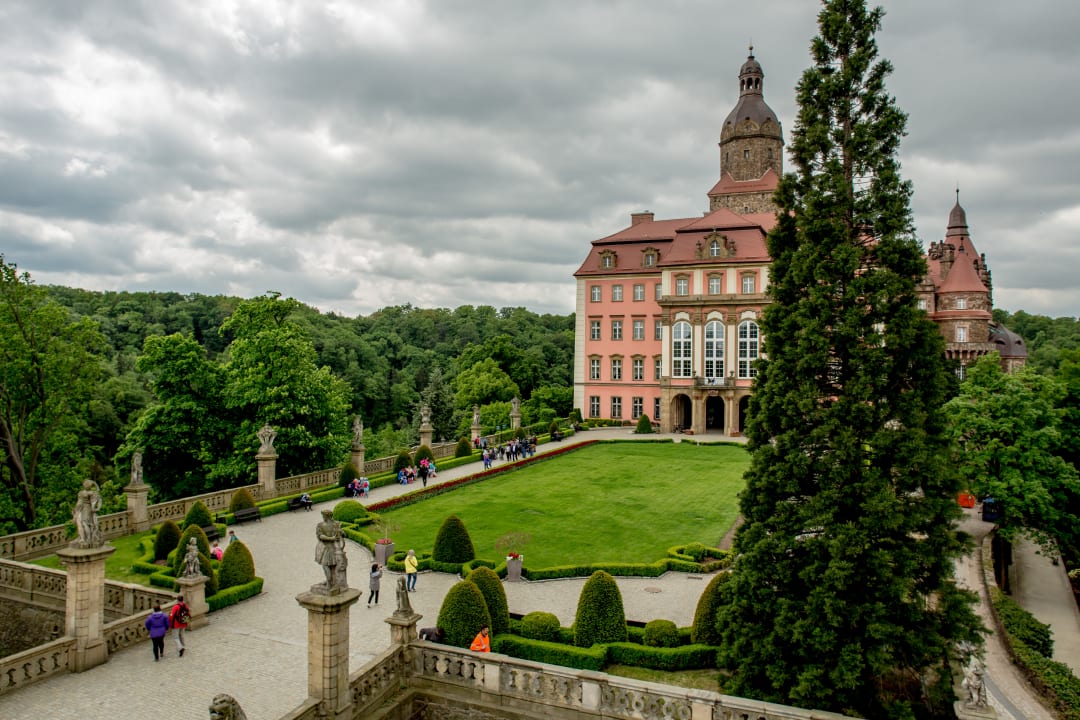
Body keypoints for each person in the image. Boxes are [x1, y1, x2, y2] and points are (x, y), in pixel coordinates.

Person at [315, 509, 348, 592]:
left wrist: (331, 538)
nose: (323, 517)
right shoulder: (335, 524)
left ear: (326, 516)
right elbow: (344, 534)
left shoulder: (321, 525)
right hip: (334, 548)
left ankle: (329, 584)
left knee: (325, 565)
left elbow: (320, 536)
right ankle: (332, 581)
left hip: (325, 548)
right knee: (332, 566)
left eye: (323, 516)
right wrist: (339, 534)